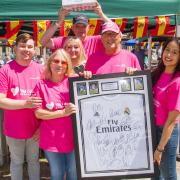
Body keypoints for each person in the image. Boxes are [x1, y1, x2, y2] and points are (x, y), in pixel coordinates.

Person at [0, 33, 42, 180]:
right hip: (14, 129)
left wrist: (42, 126)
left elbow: (49, 98)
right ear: (15, 48)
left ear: (35, 49)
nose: (26, 49)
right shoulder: (5, 70)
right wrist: (25, 103)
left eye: (30, 46)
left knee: (33, 161)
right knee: (17, 162)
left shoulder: (41, 70)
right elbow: (1, 101)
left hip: (35, 129)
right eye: (22, 46)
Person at [33, 49, 77, 180]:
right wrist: (63, 113)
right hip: (51, 140)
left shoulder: (74, 82)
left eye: (64, 62)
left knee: (73, 174)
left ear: (67, 66)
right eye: (56, 61)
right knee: (56, 174)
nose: (59, 65)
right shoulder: (41, 85)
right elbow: (38, 113)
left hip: (74, 139)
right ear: (50, 63)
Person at [152, 37, 180, 180]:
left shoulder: (177, 81)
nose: (168, 55)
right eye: (167, 50)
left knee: (168, 174)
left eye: (174, 52)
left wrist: (160, 148)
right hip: (154, 130)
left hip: (167, 134)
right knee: (155, 174)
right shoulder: (158, 73)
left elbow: (171, 120)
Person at [40, 2, 111, 58]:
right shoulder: (64, 41)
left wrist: (101, 14)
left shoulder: (96, 40)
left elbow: (117, 35)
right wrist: (59, 21)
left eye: (83, 26)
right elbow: (43, 42)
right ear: (73, 28)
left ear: (88, 28)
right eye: (77, 26)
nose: (81, 29)